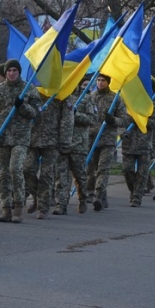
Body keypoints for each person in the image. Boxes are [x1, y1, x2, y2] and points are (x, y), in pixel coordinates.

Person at [0, 58, 41, 223]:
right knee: (4, 173)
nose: (11, 73)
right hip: (3, 137)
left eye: (14, 71)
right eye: (9, 71)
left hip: (21, 137)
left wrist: (22, 106)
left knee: (15, 169)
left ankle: (18, 206)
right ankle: (6, 208)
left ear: (19, 72)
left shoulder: (28, 89)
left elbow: (37, 113)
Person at [24, 92, 73, 218]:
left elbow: (67, 119)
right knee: (27, 170)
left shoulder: (62, 93)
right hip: (33, 139)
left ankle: (43, 208)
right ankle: (36, 197)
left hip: (52, 141)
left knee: (47, 175)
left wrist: (65, 141)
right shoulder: (33, 92)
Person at [86, 74, 128, 211]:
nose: (100, 83)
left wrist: (113, 120)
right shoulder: (90, 97)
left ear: (108, 82)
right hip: (92, 138)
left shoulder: (115, 98)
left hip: (107, 139)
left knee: (103, 169)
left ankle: (98, 195)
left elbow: (124, 120)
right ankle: (96, 194)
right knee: (91, 170)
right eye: (98, 80)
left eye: (103, 80)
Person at [56, 79, 93, 213]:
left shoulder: (86, 98)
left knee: (80, 175)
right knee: (61, 176)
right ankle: (61, 204)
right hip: (62, 142)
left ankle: (83, 198)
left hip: (78, 144)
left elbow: (92, 119)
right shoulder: (60, 97)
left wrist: (76, 114)